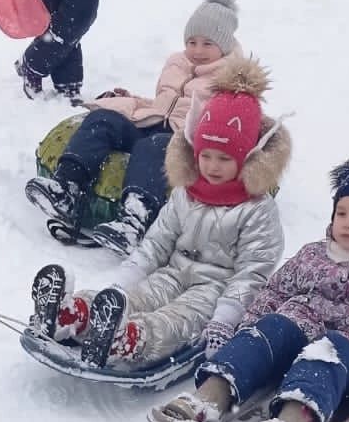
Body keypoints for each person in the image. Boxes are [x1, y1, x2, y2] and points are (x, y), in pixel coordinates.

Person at [29, 59, 289, 367]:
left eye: (224, 158)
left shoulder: (257, 209)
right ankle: (72, 314)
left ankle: (127, 340)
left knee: (175, 321)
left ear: (247, 159)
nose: (213, 166)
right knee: (135, 299)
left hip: (214, 291)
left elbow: (253, 272)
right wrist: (122, 283)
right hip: (171, 274)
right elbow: (156, 243)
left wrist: (226, 317)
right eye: (205, 155)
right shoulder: (186, 193)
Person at [161, 156, 349, 422]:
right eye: (341, 213)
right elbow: (274, 292)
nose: (348, 224)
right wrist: (251, 334)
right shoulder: (314, 254)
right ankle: (211, 395)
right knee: (271, 328)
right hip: (298, 330)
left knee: (324, 354)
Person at [24, 0, 243, 253]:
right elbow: (166, 104)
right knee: (103, 119)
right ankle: (67, 187)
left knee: (152, 147)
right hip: (152, 121)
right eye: (192, 42)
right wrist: (133, 100)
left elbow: (232, 122)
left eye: (207, 44)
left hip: (184, 139)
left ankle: (134, 220)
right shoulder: (178, 63)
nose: (197, 50)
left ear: (225, 45)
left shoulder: (232, 79)